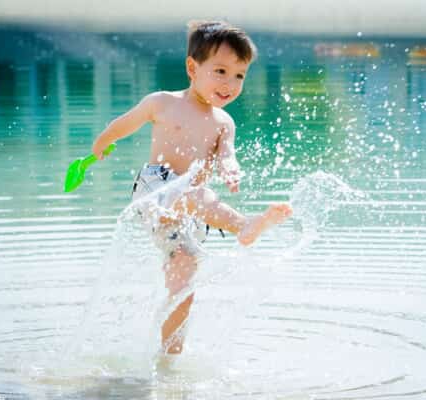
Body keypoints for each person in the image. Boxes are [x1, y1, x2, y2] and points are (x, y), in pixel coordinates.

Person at [92, 20, 292, 355]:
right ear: (192, 68)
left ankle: (170, 358)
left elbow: (228, 156)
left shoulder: (224, 123)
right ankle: (244, 225)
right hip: (156, 191)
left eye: (239, 75)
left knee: (183, 285)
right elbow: (125, 122)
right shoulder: (162, 102)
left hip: (192, 214)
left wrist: (230, 169)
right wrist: (101, 143)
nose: (230, 83)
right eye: (221, 71)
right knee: (192, 192)